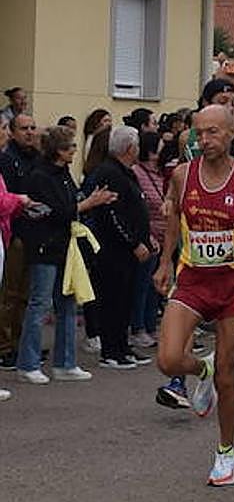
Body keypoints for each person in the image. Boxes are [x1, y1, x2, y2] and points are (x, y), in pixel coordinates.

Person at [153, 104, 234, 485]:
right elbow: (174, 218)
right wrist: (163, 262)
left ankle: (226, 453)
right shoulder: (181, 175)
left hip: (233, 287)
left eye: (212, 132)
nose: (204, 140)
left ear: (232, 134)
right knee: (169, 360)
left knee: (227, 379)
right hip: (192, 280)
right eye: (198, 133)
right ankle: (200, 368)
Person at [17, 125, 116, 384]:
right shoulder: (39, 176)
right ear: (59, 151)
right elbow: (55, 212)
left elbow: (72, 201)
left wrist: (88, 199)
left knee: (69, 303)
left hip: (65, 247)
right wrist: (86, 203)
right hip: (45, 247)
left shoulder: (63, 173)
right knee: (39, 304)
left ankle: (65, 362)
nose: (74, 150)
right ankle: (27, 363)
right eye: (70, 146)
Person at [82, 125, 154, 370]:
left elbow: (135, 209)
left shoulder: (126, 172)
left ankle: (122, 345)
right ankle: (111, 351)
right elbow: (112, 215)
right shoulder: (109, 173)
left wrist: (147, 236)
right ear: (130, 148)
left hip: (129, 250)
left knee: (125, 299)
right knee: (112, 300)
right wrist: (134, 242)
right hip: (114, 251)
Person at [0, 112, 41, 368]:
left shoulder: (35, 158)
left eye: (32, 128)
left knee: (26, 293)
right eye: (23, 128)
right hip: (13, 232)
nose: (29, 132)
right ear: (13, 132)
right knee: (10, 294)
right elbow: (8, 197)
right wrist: (22, 200)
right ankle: (4, 347)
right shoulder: (6, 159)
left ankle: (19, 342)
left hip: (33, 232)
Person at [131, 132, 167, 347]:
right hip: (149, 236)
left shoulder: (159, 173)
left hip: (164, 236)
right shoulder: (137, 173)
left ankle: (151, 325)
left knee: (156, 286)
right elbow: (141, 207)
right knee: (142, 285)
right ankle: (138, 327)